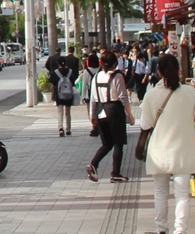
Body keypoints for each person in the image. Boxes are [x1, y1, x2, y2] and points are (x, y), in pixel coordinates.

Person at [139, 54, 195, 234]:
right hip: (182, 149)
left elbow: (145, 124)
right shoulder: (189, 92)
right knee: (182, 194)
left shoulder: (151, 94)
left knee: (160, 193)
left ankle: (161, 231)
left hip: (158, 152)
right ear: (178, 71)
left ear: (158, 72)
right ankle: (180, 232)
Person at [87, 46, 134, 183]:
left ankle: (93, 164)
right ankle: (115, 173)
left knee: (107, 143)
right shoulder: (118, 76)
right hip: (114, 110)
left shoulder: (96, 77)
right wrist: (130, 115)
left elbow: (93, 99)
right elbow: (123, 97)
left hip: (101, 111)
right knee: (118, 143)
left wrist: (92, 117)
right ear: (114, 63)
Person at [52, 54, 76, 137]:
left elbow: (53, 82)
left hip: (59, 95)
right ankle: (68, 129)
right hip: (69, 95)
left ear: (58, 63)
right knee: (68, 112)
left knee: (60, 111)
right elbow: (73, 82)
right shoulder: (70, 71)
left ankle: (60, 128)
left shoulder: (56, 72)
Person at [79, 53, 99, 131]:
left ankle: (94, 126)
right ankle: (98, 124)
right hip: (99, 94)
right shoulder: (100, 69)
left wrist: (83, 96)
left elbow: (84, 84)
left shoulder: (86, 71)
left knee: (90, 111)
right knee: (98, 110)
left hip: (89, 94)